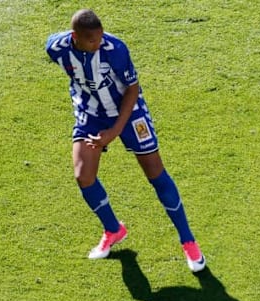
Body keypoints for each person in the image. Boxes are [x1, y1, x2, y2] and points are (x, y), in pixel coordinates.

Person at [45, 9, 205, 271]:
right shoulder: (57, 48)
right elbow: (57, 49)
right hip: (91, 114)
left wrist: (116, 130)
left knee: (155, 171)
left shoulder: (116, 49)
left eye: (100, 37)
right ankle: (113, 229)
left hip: (129, 114)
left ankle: (188, 241)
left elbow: (132, 88)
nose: (98, 43)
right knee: (83, 175)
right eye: (91, 40)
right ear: (75, 37)